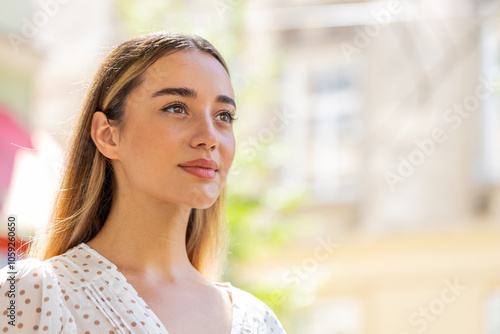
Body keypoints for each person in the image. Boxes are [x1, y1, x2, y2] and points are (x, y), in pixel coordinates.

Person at [0, 31, 287, 334]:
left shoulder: (259, 322)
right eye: (176, 108)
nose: (209, 137)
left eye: (224, 116)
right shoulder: (32, 296)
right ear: (107, 135)